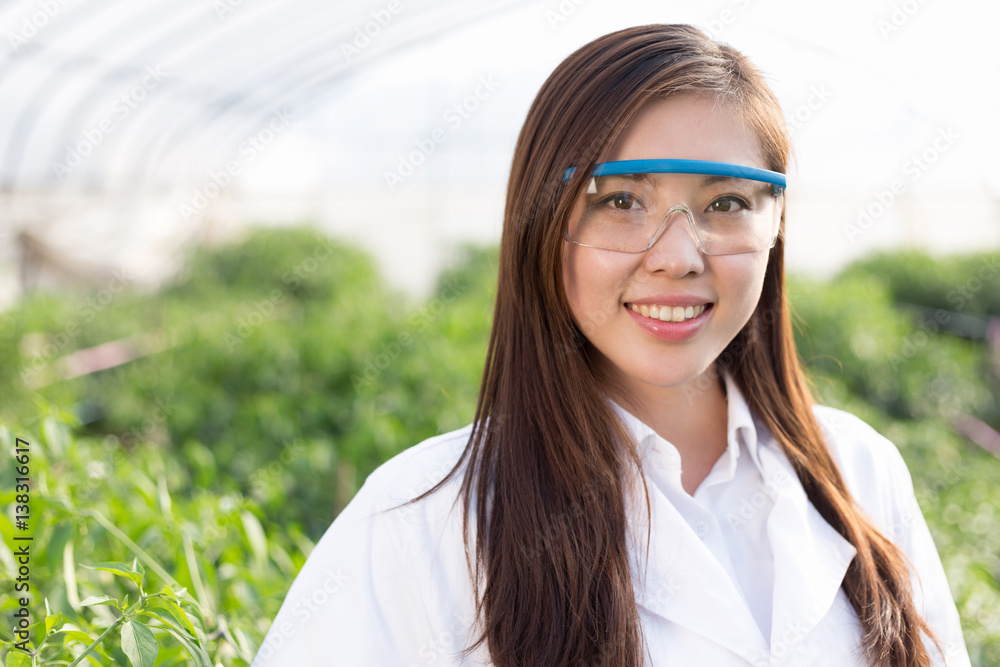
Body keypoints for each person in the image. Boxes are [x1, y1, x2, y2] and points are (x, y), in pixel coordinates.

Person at [253, 24, 969, 666]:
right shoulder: (419, 521)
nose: (679, 255)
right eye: (622, 200)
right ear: (540, 218)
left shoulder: (862, 471)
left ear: (776, 225)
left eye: (727, 203)